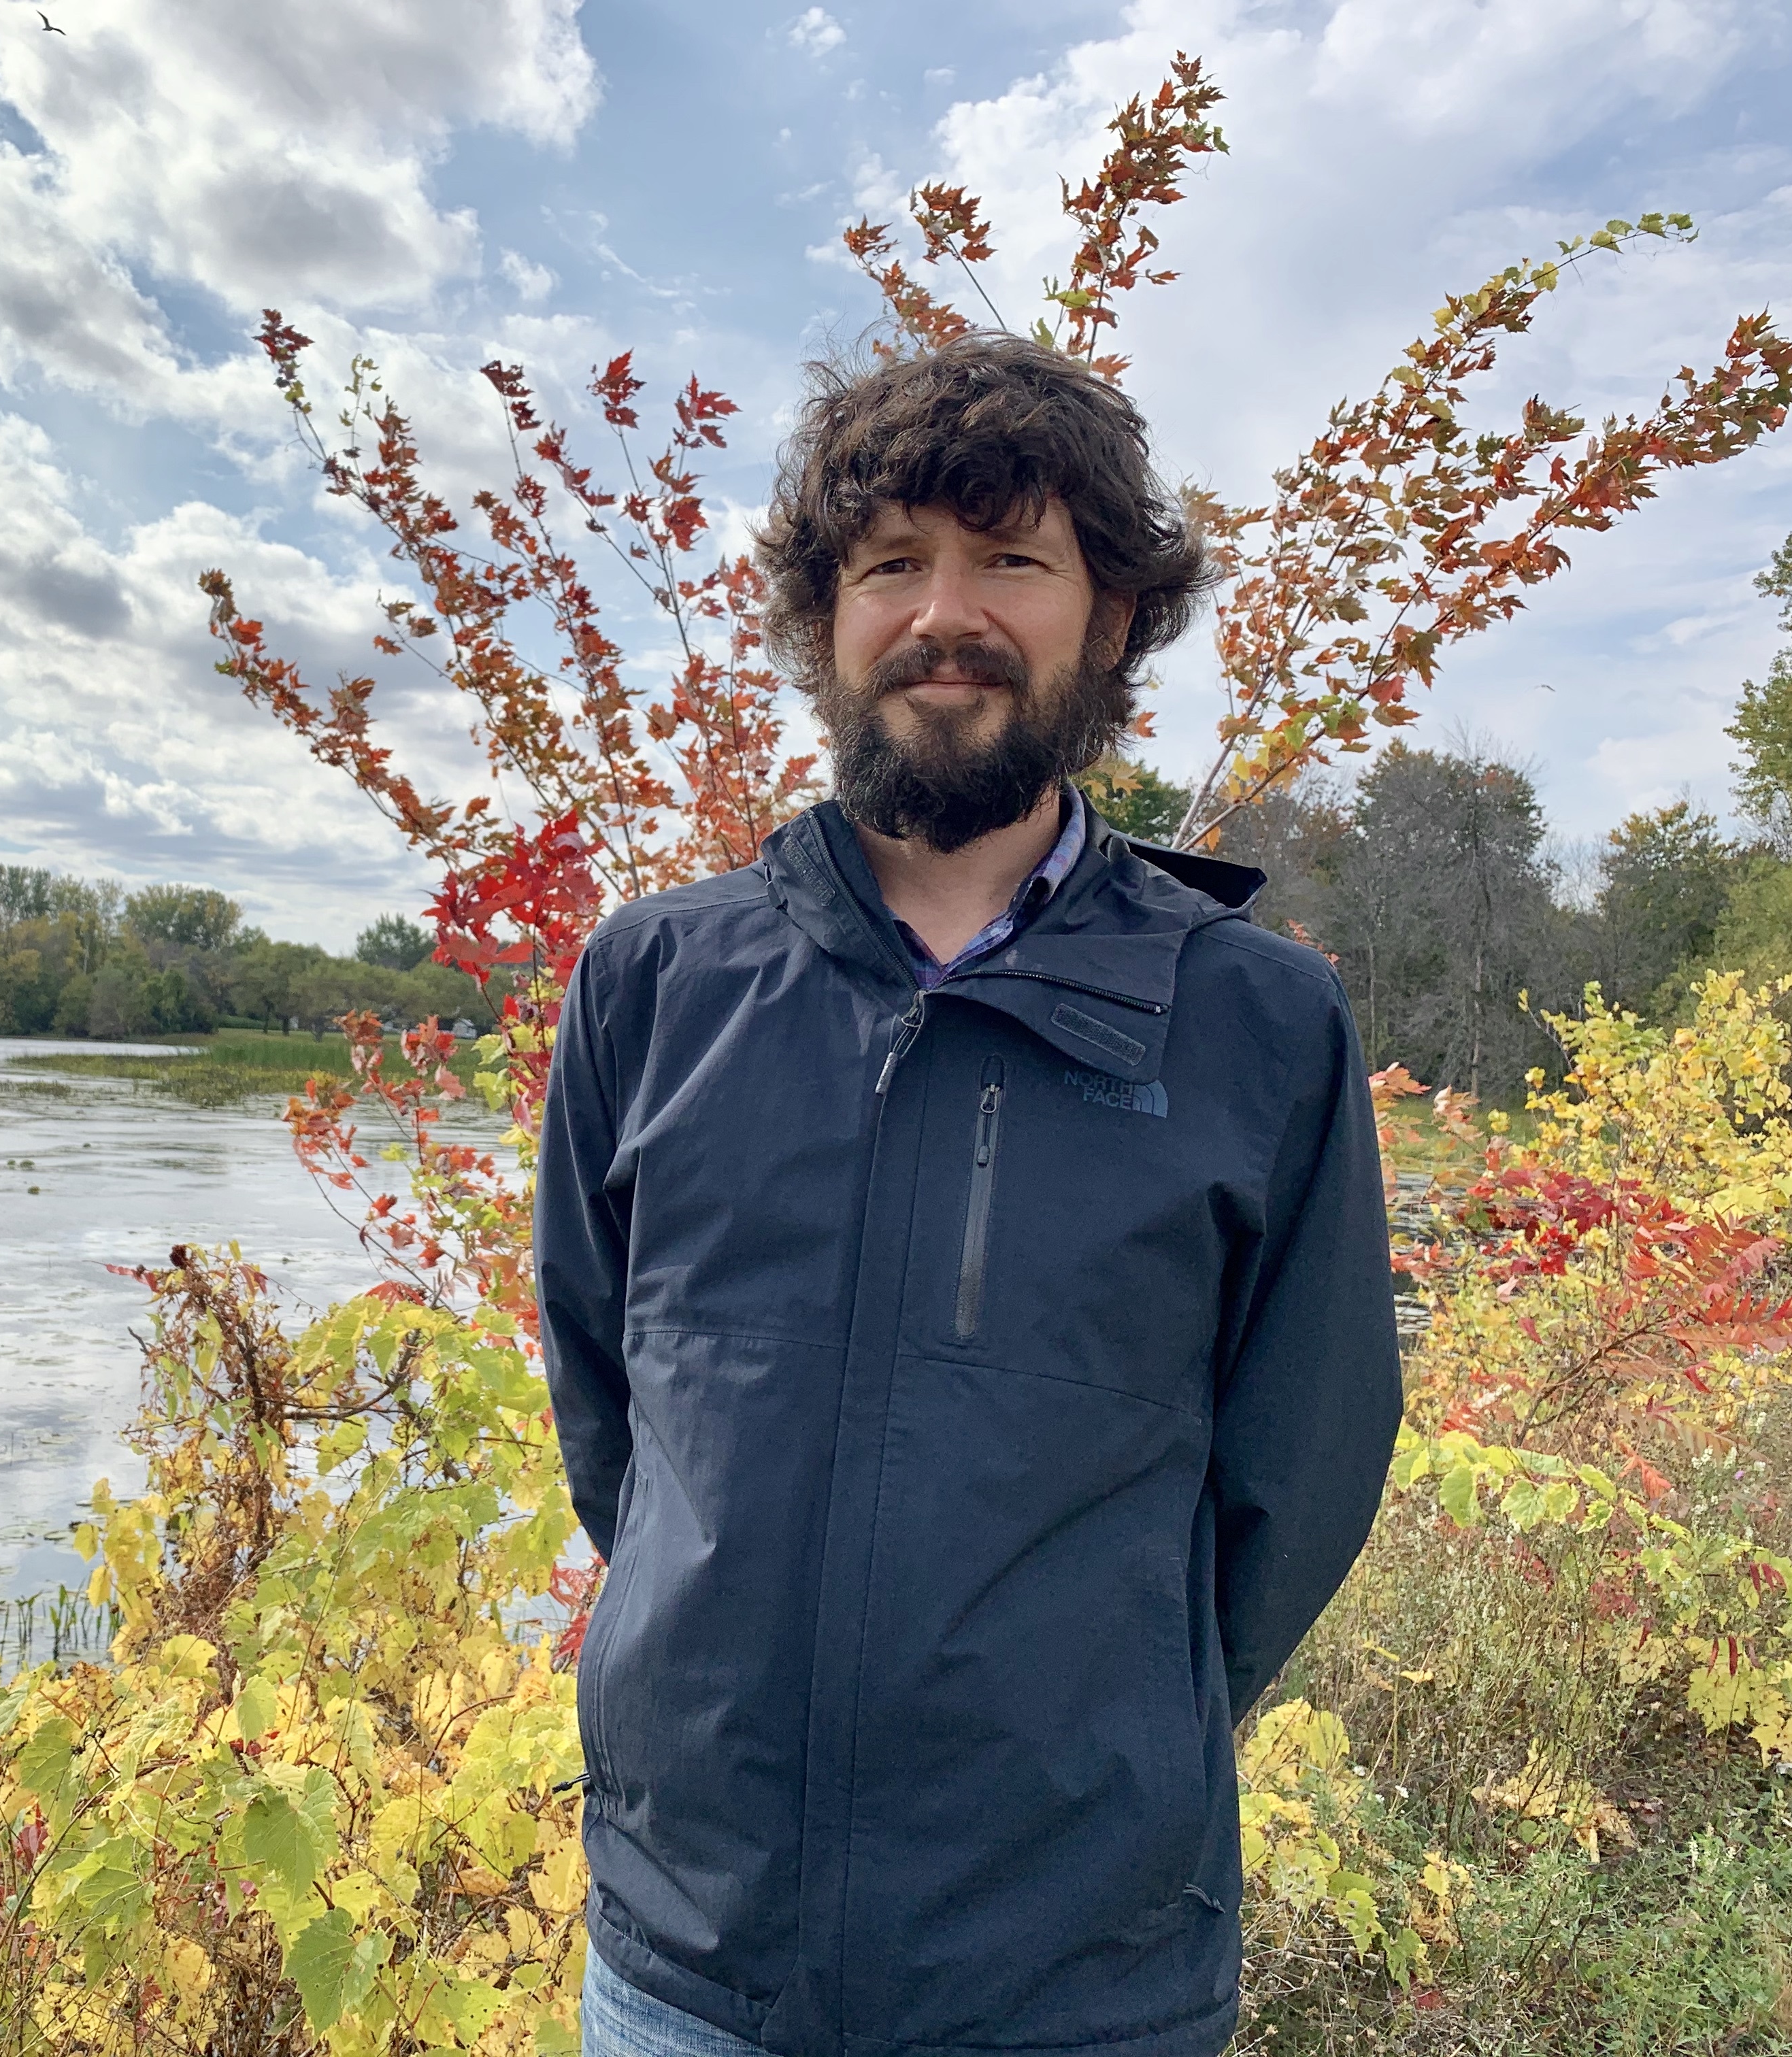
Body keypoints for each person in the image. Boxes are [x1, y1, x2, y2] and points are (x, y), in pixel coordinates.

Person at [535, 333, 1404, 2057]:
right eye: (891, 566)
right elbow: (606, 1407)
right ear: (825, 619)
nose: (950, 613)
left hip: (1081, 1979)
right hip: (689, 1962)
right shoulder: (652, 980)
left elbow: (1296, 1471)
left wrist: (1121, 1731)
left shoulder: (1257, 1019)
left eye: (1014, 559)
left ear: (1115, 618)